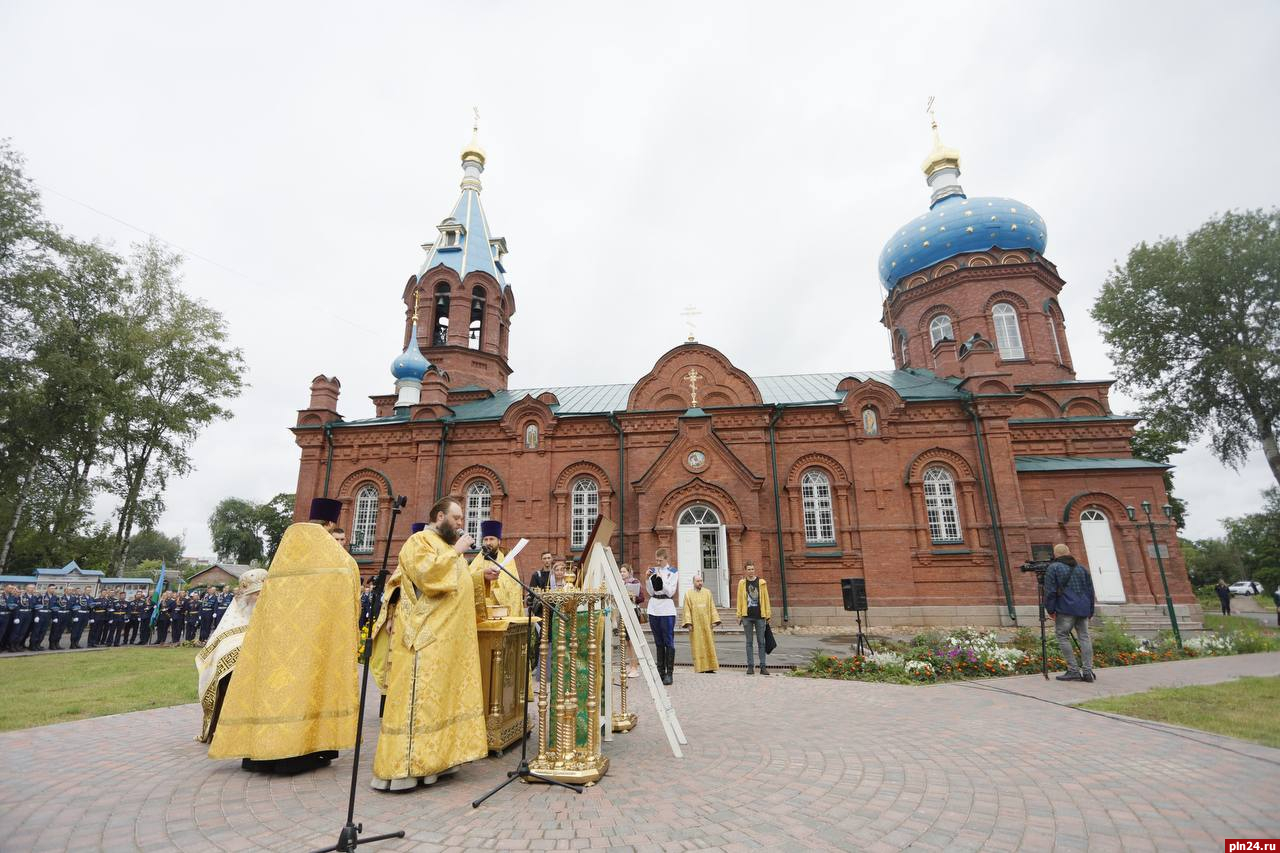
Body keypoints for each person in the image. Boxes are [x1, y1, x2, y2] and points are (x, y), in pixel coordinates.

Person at [208, 497, 361, 775]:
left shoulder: (285, 552)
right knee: (307, 693)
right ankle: (301, 753)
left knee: (273, 693)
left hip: (276, 643)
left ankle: (258, 755)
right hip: (315, 643)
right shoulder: (339, 559)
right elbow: (349, 602)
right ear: (330, 524)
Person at [371, 496, 488, 792]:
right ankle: (406, 768)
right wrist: (456, 553)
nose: (461, 524)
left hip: (447, 645)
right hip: (425, 642)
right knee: (419, 703)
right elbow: (428, 577)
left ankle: (438, 762)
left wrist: (482, 577)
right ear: (439, 517)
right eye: (457, 518)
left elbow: (459, 586)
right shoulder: (418, 541)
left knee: (441, 702)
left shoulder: (448, 549)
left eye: (461, 519)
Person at [196, 569, 267, 743]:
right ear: (247, 596)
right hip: (234, 674)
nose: (260, 598)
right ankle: (221, 731)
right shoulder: (235, 616)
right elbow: (223, 646)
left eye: (263, 593)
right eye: (256, 594)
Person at [1044, 543, 1097, 683]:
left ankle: (1073, 670)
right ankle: (1087, 671)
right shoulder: (1081, 568)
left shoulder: (1053, 568)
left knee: (1062, 636)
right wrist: (1091, 609)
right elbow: (1090, 591)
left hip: (1065, 608)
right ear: (1069, 552)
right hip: (1083, 607)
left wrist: (1050, 609)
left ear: (1055, 555)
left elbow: (1050, 591)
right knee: (1085, 637)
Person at [468, 520, 525, 618]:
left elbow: (514, 587)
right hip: (481, 613)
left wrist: (495, 584)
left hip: (501, 612)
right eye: (485, 539)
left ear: (499, 541)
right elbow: (467, 582)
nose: (488, 542)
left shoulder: (507, 560)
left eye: (491, 539)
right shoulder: (476, 562)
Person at [646, 548, 680, 686]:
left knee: (668, 641)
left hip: (666, 607)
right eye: (657, 560)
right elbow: (650, 591)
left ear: (666, 558)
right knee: (658, 641)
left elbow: (671, 591)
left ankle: (669, 673)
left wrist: (662, 580)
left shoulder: (673, 572)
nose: (658, 562)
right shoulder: (654, 570)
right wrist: (647, 579)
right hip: (654, 606)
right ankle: (660, 671)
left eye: (660, 560)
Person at [736, 561, 772, 676]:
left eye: (752, 569)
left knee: (761, 642)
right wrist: (739, 615)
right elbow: (739, 600)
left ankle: (763, 667)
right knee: (749, 642)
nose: (751, 571)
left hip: (760, 616)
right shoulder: (742, 583)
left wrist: (768, 614)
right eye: (749, 569)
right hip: (747, 616)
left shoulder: (761, 583)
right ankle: (750, 666)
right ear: (745, 570)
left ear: (754, 570)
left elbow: (766, 599)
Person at [680, 573, 720, 673]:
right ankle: (700, 667)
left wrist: (715, 621)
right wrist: (688, 623)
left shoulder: (708, 592)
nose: (700, 583)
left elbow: (712, 606)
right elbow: (686, 609)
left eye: (701, 581)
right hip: (695, 625)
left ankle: (710, 667)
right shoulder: (688, 594)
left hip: (707, 623)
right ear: (693, 582)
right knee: (697, 645)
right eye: (697, 581)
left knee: (709, 643)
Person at [620, 564, 644, 678]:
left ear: (629, 572)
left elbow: (641, 598)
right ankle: (631, 664)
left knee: (633, 641)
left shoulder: (635, 582)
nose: (622, 574)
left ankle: (635, 667)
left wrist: (633, 596)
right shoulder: (620, 583)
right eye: (621, 572)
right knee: (627, 641)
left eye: (624, 572)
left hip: (633, 611)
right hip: (624, 611)